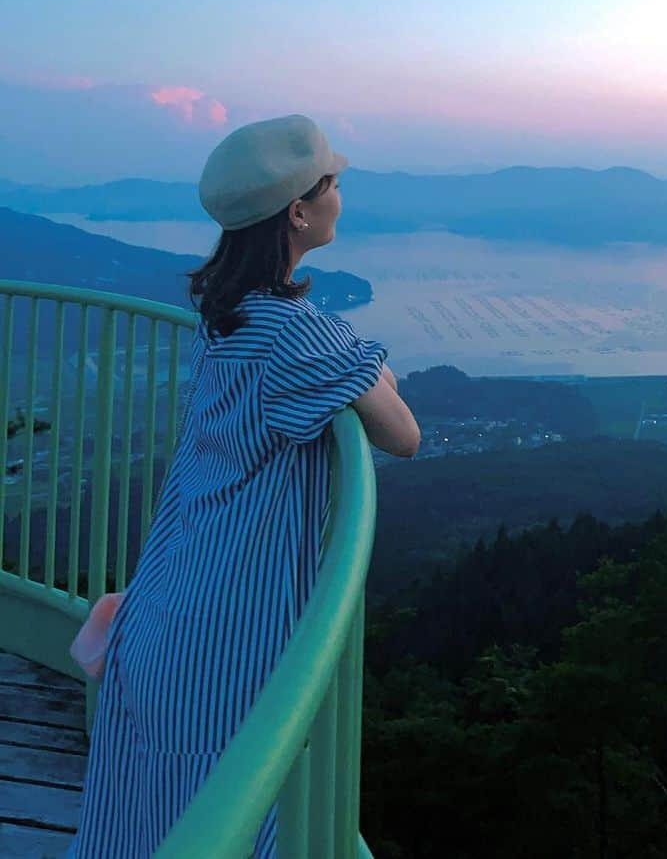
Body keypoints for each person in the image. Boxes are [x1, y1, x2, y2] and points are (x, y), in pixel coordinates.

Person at [68, 114, 420, 857]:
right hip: (230, 622)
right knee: (238, 799)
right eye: (332, 184)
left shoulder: (229, 316)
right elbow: (403, 434)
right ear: (298, 209)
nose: (340, 195)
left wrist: (351, 359)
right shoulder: (300, 334)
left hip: (170, 596)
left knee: (152, 811)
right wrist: (361, 361)